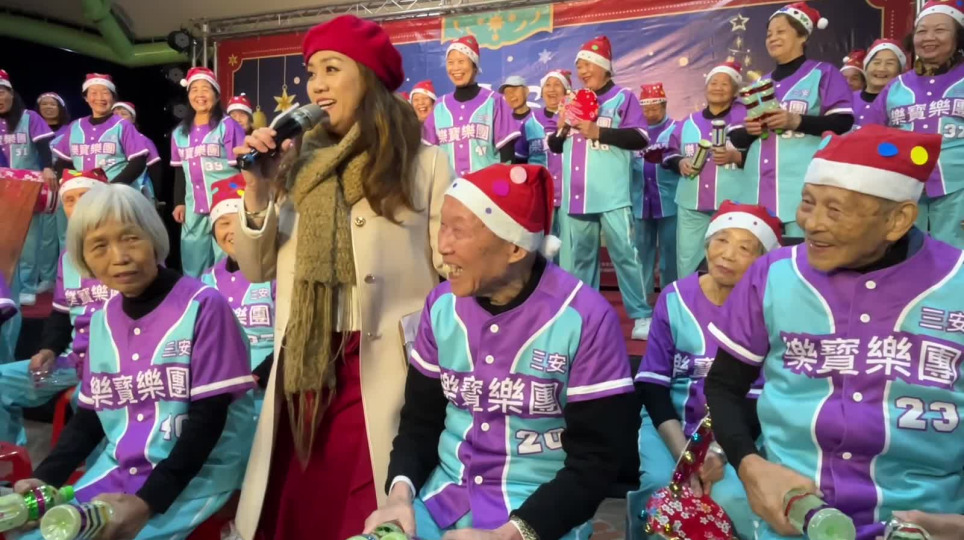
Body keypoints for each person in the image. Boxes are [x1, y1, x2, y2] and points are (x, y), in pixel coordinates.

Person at [229, 15, 452, 540]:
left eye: (332, 69)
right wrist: (257, 188)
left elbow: (449, 267)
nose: (317, 86)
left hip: (382, 362)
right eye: (312, 73)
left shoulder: (425, 163)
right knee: (300, 507)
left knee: (365, 507)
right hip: (305, 364)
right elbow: (257, 269)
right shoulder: (293, 164)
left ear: (369, 77)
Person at [704, 125, 964, 540]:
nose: (811, 223)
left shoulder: (957, 283)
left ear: (897, 220)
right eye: (808, 202)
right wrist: (750, 465)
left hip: (928, 527)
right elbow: (723, 385)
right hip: (793, 523)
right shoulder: (773, 275)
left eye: (835, 210)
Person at [365, 163, 635, 540]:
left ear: (514, 247)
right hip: (442, 500)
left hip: (539, 516)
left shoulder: (585, 318)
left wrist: (511, 534)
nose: (443, 246)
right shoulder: (440, 307)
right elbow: (419, 423)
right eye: (443, 225)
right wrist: (399, 496)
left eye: (459, 231)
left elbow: (596, 461)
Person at [11, 184, 256, 540]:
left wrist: (147, 502)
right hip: (121, 468)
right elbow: (90, 417)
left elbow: (208, 420)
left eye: (131, 239)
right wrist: (45, 478)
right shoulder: (102, 321)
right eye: (99, 246)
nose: (120, 257)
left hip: (197, 476)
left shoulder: (204, 305)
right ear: (83, 259)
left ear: (155, 239)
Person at [627, 201, 780, 540]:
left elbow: (758, 398)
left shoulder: (768, 308)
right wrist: (687, 457)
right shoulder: (674, 298)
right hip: (671, 426)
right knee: (660, 486)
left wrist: (719, 454)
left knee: (733, 497)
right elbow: (653, 384)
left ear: (762, 261)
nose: (727, 254)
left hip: (740, 433)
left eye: (745, 248)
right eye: (721, 240)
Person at [548, 35, 652, 340]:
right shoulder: (572, 100)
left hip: (612, 194)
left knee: (625, 254)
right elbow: (555, 146)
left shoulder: (623, 98)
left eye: (587, 65)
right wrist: (563, 126)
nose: (582, 71)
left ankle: (641, 315)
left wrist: (599, 132)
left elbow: (641, 138)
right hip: (578, 194)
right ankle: (585, 314)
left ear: (604, 66)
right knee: (581, 259)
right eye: (579, 66)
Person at [0, 169, 110, 445]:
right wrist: (48, 350)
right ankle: (11, 457)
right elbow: (61, 315)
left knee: (89, 401)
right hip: (72, 363)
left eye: (85, 197)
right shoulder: (68, 258)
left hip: (117, 368)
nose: (77, 206)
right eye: (70, 200)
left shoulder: (128, 249)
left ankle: (99, 467)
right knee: (2, 382)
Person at [728, 3, 854, 239]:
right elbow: (736, 137)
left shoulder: (823, 73)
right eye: (769, 34)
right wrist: (751, 130)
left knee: (804, 253)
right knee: (760, 254)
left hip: (802, 189)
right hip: (756, 190)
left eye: (781, 31)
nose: (772, 38)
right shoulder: (757, 86)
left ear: (802, 36)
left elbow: (843, 121)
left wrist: (796, 121)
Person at [862, 1, 964, 248]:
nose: (929, 37)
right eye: (922, 31)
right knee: (907, 257)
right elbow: (870, 137)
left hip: (959, 192)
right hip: (904, 192)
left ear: (958, 37)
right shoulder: (896, 86)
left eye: (940, 30)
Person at [665, 61, 752, 277]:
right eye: (713, 83)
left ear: (735, 91)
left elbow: (764, 156)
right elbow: (669, 153)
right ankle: (688, 296)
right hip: (691, 203)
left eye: (725, 83)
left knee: (731, 260)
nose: (718, 87)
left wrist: (737, 157)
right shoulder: (687, 122)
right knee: (687, 260)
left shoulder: (746, 122)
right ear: (705, 88)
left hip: (733, 203)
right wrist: (680, 163)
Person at [200, 174, 275, 416]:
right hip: (227, 400)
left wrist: (261, 374)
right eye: (223, 223)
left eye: (241, 221)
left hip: (274, 391)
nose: (233, 231)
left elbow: (295, 334)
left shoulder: (278, 272)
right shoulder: (206, 281)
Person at [170, 67, 246, 278]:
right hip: (193, 206)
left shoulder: (228, 126)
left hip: (227, 205)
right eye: (194, 89)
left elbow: (243, 167)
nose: (200, 94)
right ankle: (198, 296)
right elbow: (179, 170)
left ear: (217, 95)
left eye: (206, 89)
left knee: (228, 258)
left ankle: (230, 294)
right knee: (193, 260)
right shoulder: (179, 133)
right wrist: (179, 202)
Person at [0, 69, 57, 312]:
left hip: (27, 187)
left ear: (11, 94)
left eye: (2, 92)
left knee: (29, 240)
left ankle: (27, 287)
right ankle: (5, 287)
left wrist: (47, 168)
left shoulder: (29, 117)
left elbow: (43, 145)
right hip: (2, 188)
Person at [421, 35, 519, 176]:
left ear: (474, 66)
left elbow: (507, 154)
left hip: (486, 186)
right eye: (450, 62)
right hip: (449, 187)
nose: (455, 68)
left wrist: (503, 186)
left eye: (461, 61)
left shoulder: (494, 101)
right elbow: (428, 156)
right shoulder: (439, 107)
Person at [51, 73, 152, 198]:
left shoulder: (123, 125)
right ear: (86, 98)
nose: (100, 97)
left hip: (117, 196)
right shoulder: (75, 126)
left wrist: (111, 188)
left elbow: (138, 162)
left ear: (113, 98)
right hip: (84, 196)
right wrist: (69, 184)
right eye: (93, 93)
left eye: (105, 93)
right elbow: (63, 162)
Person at [632, 82, 678, 320]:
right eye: (645, 109)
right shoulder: (634, 133)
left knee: (671, 253)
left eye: (654, 108)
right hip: (640, 201)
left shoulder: (676, 129)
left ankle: (670, 301)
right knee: (641, 254)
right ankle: (643, 303)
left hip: (669, 201)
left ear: (664, 105)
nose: (649, 114)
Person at [515, 69, 570, 239]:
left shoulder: (575, 120)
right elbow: (520, 159)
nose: (552, 89)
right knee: (542, 245)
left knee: (570, 246)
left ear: (566, 91)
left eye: (557, 85)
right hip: (541, 195)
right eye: (548, 85)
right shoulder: (530, 122)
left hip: (570, 195)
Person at [37, 92, 73, 248]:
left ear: (61, 108)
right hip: (41, 186)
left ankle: (67, 264)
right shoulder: (33, 131)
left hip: (65, 184)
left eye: (52, 104)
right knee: (45, 236)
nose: (48, 107)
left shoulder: (71, 130)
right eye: (44, 104)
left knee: (67, 233)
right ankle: (47, 266)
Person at [111, 101, 163, 202]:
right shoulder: (106, 139)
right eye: (115, 114)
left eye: (123, 114)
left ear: (133, 119)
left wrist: (157, 196)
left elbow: (155, 168)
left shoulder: (143, 140)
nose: (119, 117)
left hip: (139, 190)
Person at [852, 39, 907, 128]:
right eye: (876, 62)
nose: (881, 68)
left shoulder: (905, 104)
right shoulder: (848, 100)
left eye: (890, 63)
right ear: (866, 67)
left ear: (899, 71)